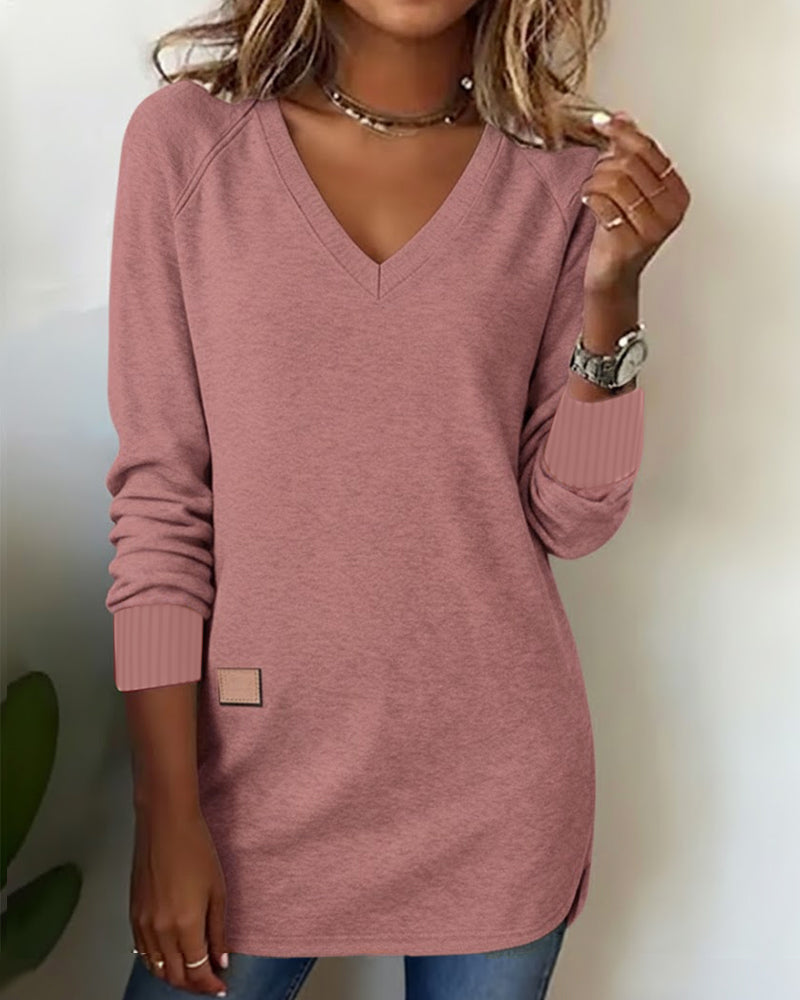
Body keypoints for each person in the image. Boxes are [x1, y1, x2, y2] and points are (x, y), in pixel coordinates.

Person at [103, 1, 689, 997]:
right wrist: (165, 809)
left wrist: (613, 296)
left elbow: (574, 516)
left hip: (496, 787)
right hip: (248, 785)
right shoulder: (188, 143)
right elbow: (161, 502)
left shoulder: (562, 178)